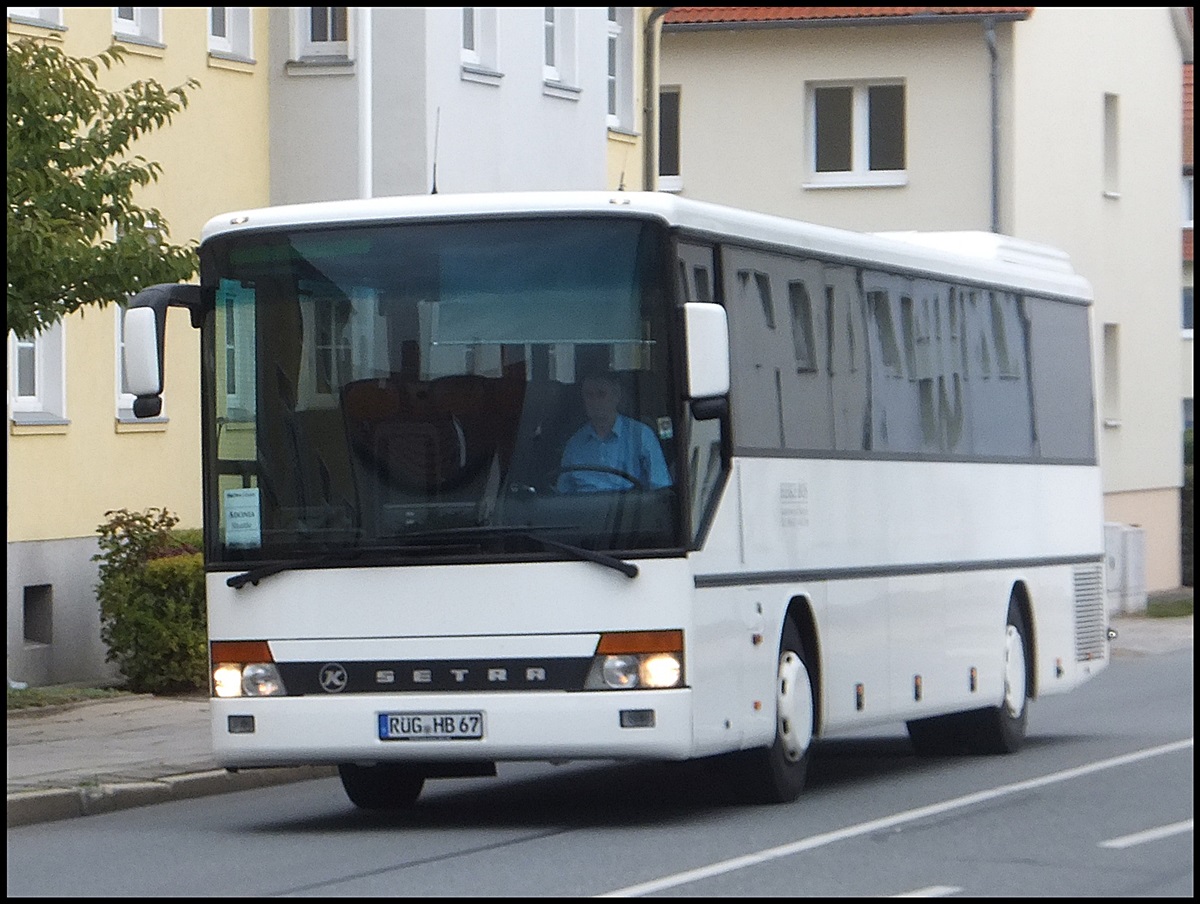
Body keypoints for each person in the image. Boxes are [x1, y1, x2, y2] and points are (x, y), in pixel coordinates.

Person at [557, 371, 671, 493]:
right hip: (584, 510)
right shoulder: (574, 445)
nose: (595, 401)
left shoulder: (641, 436)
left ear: (616, 396)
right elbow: (562, 495)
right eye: (589, 395)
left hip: (630, 510)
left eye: (601, 394)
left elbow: (660, 489)